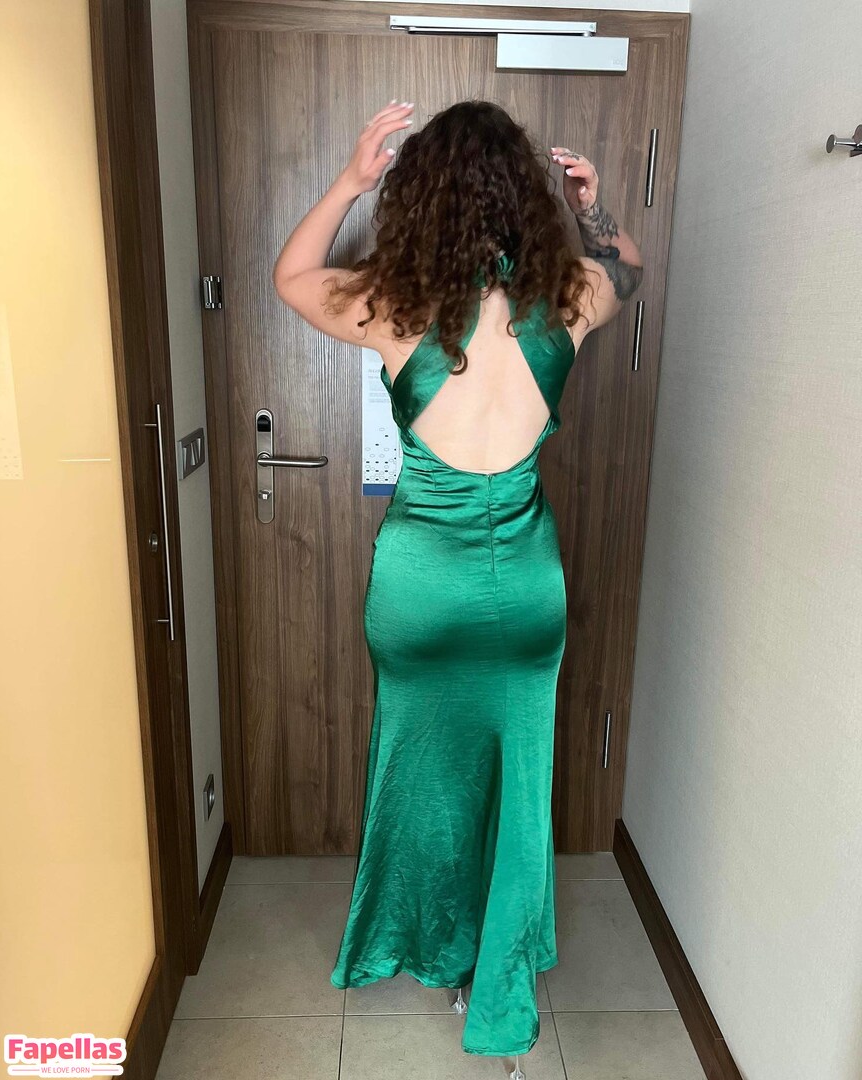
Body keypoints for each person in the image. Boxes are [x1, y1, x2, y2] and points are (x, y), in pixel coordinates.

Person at [272, 98, 643, 1075]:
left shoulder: (391, 305)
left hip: (420, 589)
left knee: (422, 774)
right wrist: (594, 210)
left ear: (421, 198)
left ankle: (426, 943)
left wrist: (350, 180)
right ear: (525, 199)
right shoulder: (571, 297)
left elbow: (291, 277)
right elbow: (632, 268)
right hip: (523, 587)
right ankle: (493, 975)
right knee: (516, 787)